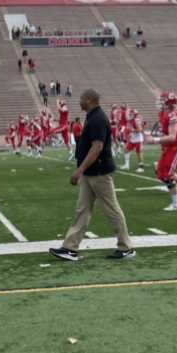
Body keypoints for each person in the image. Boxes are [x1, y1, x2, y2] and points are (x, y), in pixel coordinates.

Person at [50, 89, 135, 261]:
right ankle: (70, 248)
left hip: (99, 172)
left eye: (82, 99)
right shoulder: (92, 116)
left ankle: (126, 247)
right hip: (91, 172)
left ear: (89, 100)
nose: (79, 101)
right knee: (82, 210)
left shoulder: (97, 118)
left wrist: (80, 169)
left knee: (112, 209)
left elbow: (97, 147)